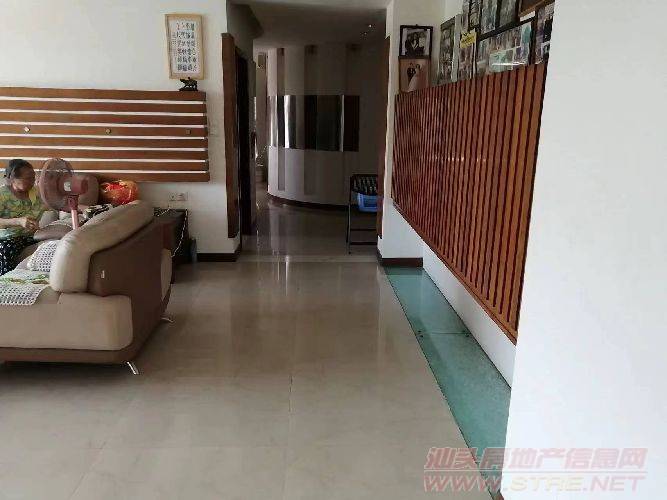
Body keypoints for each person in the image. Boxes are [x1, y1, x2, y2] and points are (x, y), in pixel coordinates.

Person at [0, 159, 46, 275]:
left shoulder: (34, 192)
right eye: (28, 178)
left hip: (29, 237)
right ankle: (7, 281)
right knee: (6, 249)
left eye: (33, 178)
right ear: (12, 179)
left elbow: (54, 204)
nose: (33, 182)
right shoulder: (2, 194)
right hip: (7, 238)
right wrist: (18, 221)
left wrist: (81, 208)